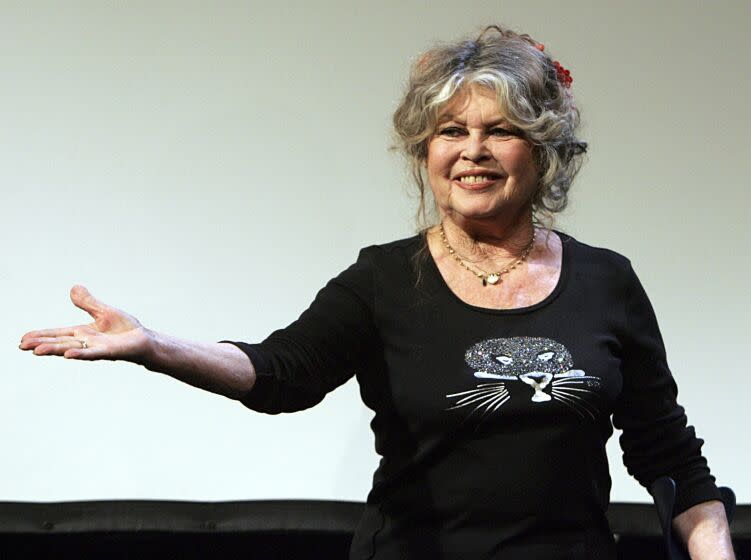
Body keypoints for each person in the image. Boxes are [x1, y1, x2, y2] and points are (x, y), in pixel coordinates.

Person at [19, 25, 734, 560]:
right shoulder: (383, 279)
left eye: (501, 131)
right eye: (450, 131)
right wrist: (151, 345)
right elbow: (278, 375)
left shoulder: (605, 280)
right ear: (425, 151)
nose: (472, 151)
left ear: (542, 151)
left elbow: (667, 455)